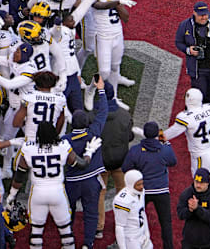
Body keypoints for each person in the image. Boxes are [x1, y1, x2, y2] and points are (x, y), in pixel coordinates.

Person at [7, 121, 102, 249]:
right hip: (57, 192)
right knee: (65, 231)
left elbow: (20, 175)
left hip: (38, 193)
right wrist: (89, 151)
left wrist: (12, 194)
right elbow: (82, 164)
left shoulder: (29, 148)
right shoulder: (62, 146)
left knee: (36, 231)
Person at [164, 88, 210, 221]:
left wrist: (160, 137)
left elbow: (173, 132)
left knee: (202, 180)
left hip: (201, 156)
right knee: (208, 178)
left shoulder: (185, 117)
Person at [61, 76, 108, 249]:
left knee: (68, 213)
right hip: (90, 182)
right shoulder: (94, 132)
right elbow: (103, 113)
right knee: (91, 213)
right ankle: (87, 244)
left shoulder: (65, 140)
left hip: (72, 182)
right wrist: (101, 90)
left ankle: (68, 241)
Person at [123, 121, 177, 249]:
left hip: (143, 190)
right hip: (161, 190)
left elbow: (126, 168)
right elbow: (173, 162)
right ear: (157, 134)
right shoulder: (164, 149)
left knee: (135, 219)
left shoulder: (135, 150)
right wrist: (166, 143)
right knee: (166, 223)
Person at [96, 80, 133, 238]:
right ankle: (124, 224)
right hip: (120, 160)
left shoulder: (95, 116)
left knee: (100, 193)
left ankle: (99, 227)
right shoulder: (124, 115)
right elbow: (130, 136)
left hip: (102, 162)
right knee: (124, 192)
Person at [177, 168, 210, 248]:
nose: (198, 185)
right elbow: (180, 214)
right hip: (190, 243)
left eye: (201, 183)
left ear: (207, 183)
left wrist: (197, 208)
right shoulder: (186, 194)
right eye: (196, 182)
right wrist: (190, 210)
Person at [113, 169, 153, 249]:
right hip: (131, 238)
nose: (141, 187)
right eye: (138, 185)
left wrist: (147, 233)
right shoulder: (123, 201)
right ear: (131, 184)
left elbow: (143, 213)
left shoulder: (141, 193)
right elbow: (119, 227)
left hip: (140, 232)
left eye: (142, 183)